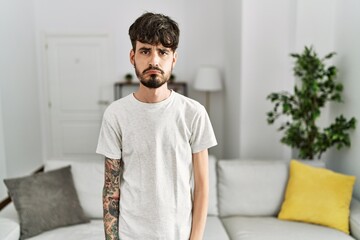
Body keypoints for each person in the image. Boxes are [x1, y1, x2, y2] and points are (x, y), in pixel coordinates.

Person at [96, 12, 217, 240]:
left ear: (174, 58)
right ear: (133, 56)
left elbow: (202, 188)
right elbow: (111, 190)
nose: (154, 60)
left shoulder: (194, 113)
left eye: (163, 52)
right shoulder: (116, 114)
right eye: (145, 51)